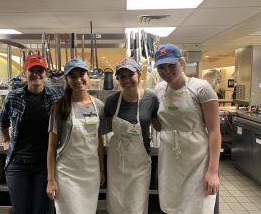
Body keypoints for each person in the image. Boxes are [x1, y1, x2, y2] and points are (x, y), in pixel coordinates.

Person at [153, 43, 221, 214]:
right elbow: (160, 126)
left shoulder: (201, 88)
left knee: (197, 207)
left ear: (181, 63)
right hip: (170, 160)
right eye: (161, 67)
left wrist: (212, 171)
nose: (166, 71)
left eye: (171, 65)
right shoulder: (159, 90)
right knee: (172, 205)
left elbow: (214, 131)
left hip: (198, 161)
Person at [0, 54, 62, 214]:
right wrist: (6, 139)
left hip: (43, 165)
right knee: (20, 210)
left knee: (40, 210)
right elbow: (3, 121)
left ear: (46, 73)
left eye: (40, 70)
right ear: (24, 73)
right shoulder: (13, 97)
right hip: (17, 165)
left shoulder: (56, 96)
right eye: (31, 70)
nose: (36, 74)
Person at [46, 58, 106, 214]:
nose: (78, 80)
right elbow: (51, 148)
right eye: (73, 76)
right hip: (67, 174)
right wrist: (51, 180)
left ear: (88, 75)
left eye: (82, 74)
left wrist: (101, 170)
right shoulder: (59, 108)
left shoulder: (98, 105)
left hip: (90, 172)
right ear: (67, 80)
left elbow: (98, 141)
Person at [105, 58, 161, 214]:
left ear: (139, 74)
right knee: (116, 201)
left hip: (140, 162)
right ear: (117, 79)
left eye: (130, 74)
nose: (126, 80)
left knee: (137, 203)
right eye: (122, 76)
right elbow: (108, 127)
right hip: (117, 159)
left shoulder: (151, 98)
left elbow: (159, 126)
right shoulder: (111, 101)